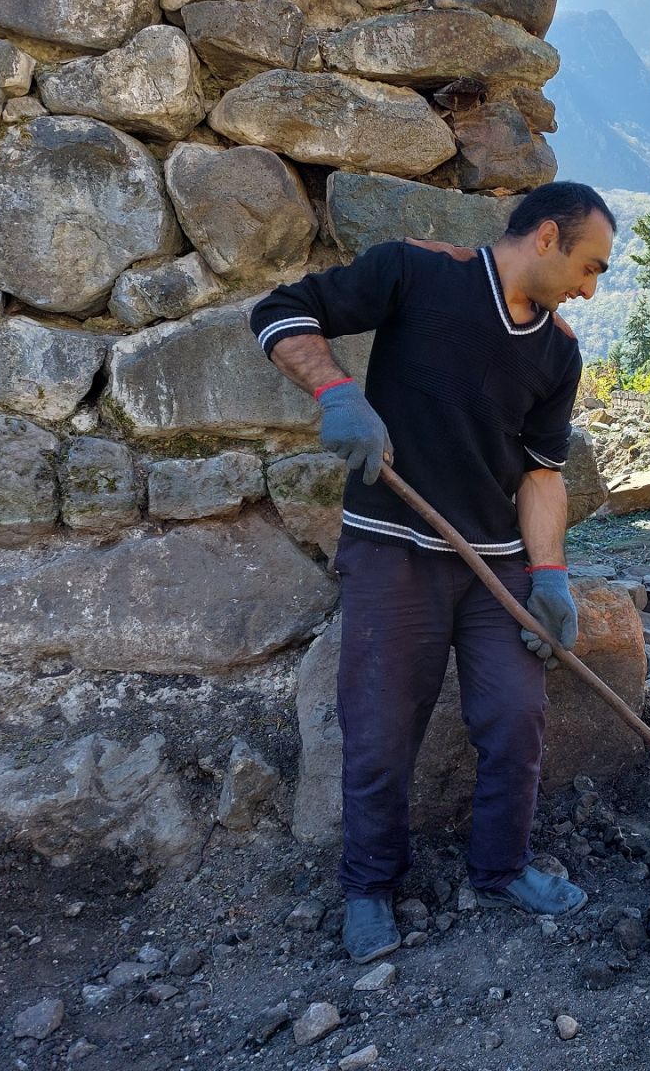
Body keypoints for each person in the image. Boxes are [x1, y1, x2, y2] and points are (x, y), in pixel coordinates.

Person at [250, 182, 615, 963]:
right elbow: (279, 312)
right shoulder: (418, 273)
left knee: (517, 717)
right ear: (546, 237)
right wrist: (336, 389)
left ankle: (502, 869)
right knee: (380, 731)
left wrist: (549, 576)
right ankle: (369, 888)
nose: (590, 288)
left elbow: (543, 475)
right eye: (591, 267)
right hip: (392, 547)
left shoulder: (558, 349)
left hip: (495, 567)